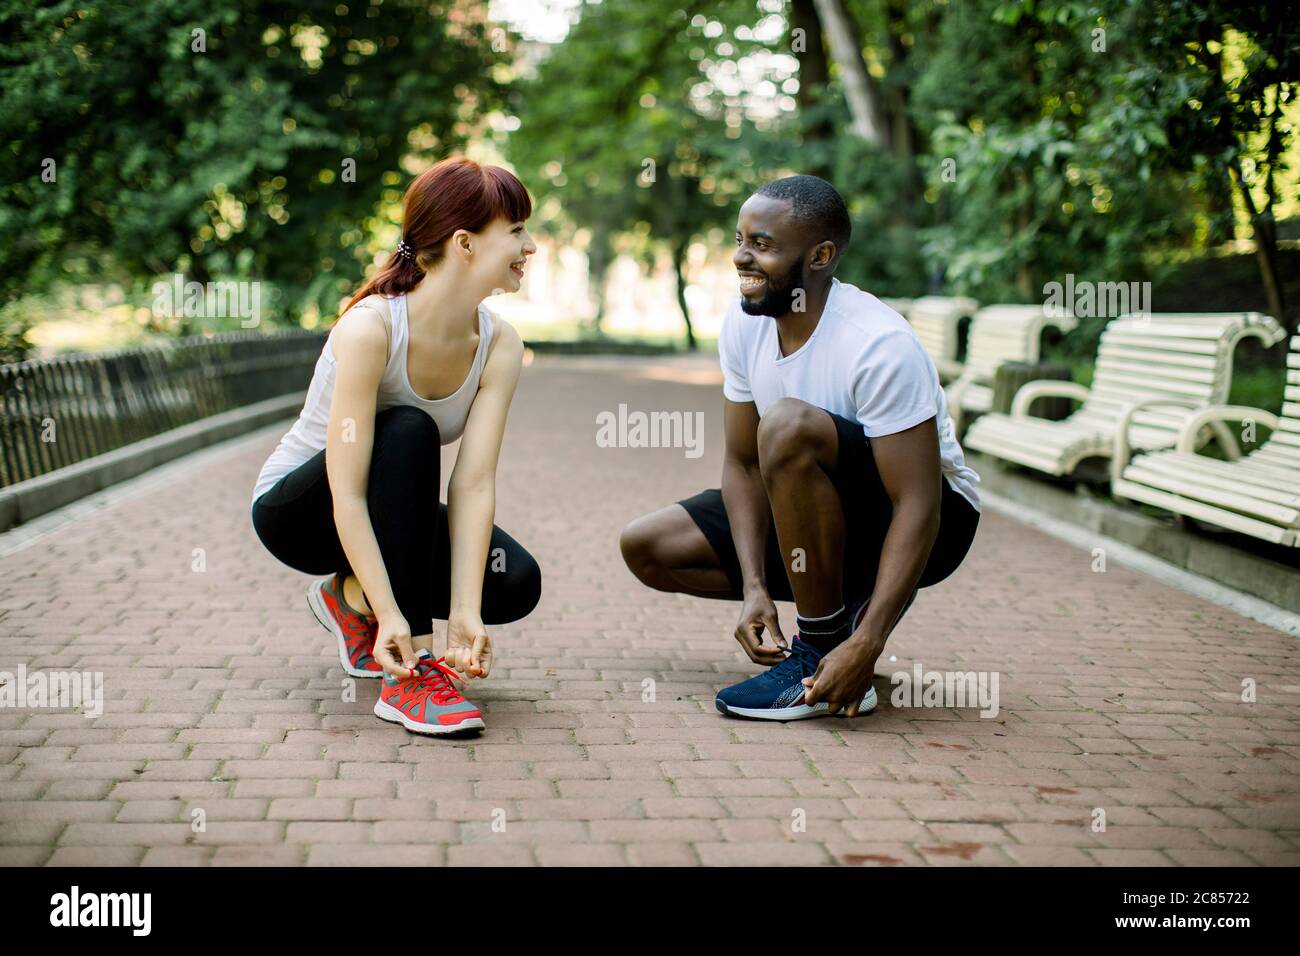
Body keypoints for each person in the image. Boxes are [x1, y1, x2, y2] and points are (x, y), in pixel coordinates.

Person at [620, 175, 980, 721]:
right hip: (810, 508)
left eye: (762, 245)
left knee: (787, 426)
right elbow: (741, 464)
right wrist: (754, 587)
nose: (742, 257)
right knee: (647, 546)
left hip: (931, 520)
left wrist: (870, 644)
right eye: (739, 240)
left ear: (821, 256)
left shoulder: (879, 345)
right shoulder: (745, 324)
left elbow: (919, 504)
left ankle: (823, 646)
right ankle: (841, 609)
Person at [250, 156, 541, 736]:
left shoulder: (500, 345)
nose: (529, 245)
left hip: (384, 504)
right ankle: (409, 679)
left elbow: (473, 483)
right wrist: (396, 618)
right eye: (515, 230)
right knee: (409, 429)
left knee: (513, 582)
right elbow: (349, 490)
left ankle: (346, 599)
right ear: (464, 242)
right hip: (303, 512)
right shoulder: (372, 328)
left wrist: (465, 612)